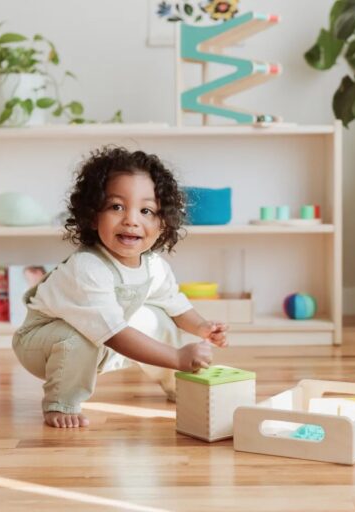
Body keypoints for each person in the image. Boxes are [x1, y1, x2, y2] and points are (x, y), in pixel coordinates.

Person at [12, 146, 228, 428]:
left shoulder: (153, 266)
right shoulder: (87, 268)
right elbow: (114, 333)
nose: (131, 219)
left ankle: (176, 384)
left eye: (146, 210)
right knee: (75, 337)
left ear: (163, 223)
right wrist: (177, 356)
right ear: (92, 215)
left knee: (158, 317)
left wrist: (202, 328)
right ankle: (61, 403)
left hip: (100, 341)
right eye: (116, 206)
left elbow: (175, 304)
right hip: (44, 345)